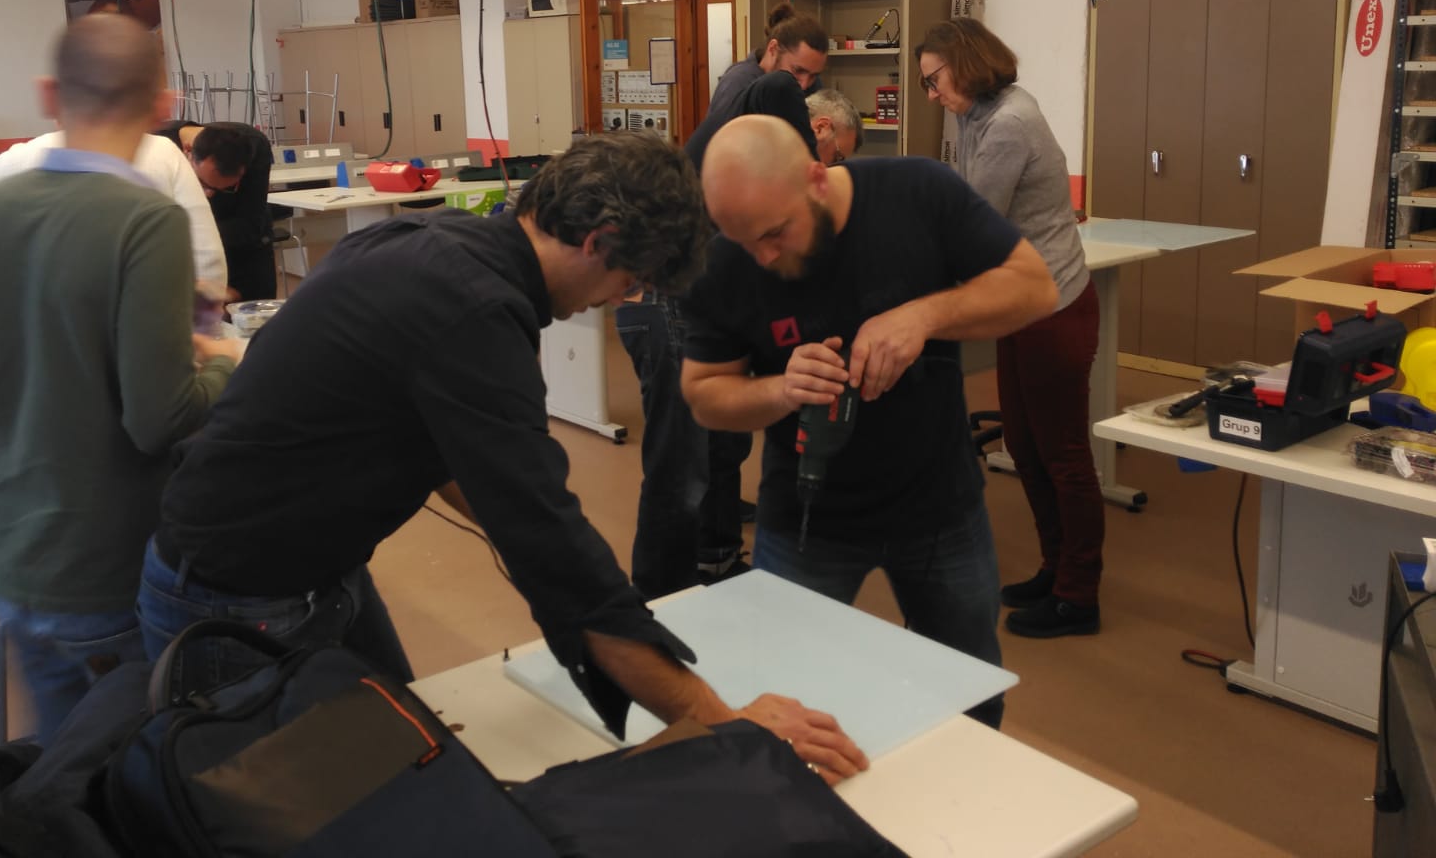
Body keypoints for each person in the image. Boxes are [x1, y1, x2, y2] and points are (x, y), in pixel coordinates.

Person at [137, 132, 868, 782]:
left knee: (404, 759)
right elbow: (556, 555)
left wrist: (526, 518)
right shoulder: (474, 311)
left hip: (311, 570)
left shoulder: (437, 242)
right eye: (630, 281)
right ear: (600, 240)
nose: (618, 299)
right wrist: (726, 722)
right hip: (239, 596)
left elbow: (462, 463)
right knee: (300, 814)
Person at [679, 116, 1057, 728]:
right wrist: (781, 389)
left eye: (774, 233)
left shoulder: (919, 193)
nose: (763, 256)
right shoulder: (724, 261)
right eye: (743, 241)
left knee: (971, 694)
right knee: (784, 699)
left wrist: (922, 317)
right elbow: (703, 396)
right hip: (806, 522)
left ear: (816, 179)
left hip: (939, 509)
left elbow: (1035, 289)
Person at [0, 17, 242, 745]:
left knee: (62, 770)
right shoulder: (147, 219)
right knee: (134, 771)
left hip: (17, 552)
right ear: (163, 108)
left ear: (49, 95)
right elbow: (159, 418)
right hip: (105, 567)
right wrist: (223, 364)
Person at [616, 72, 860, 598]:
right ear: (818, 131)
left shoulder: (742, 131)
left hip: (675, 297)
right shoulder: (770, 104)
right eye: (837, 155)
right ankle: (661, 597)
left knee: (721, 446)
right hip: (664, 303)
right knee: (680, 465)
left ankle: (717, 559)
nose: (832, 170)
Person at [917, 20, 1102, 638]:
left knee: (1063, 454)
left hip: (1054, 304)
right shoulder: (975, 113)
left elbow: (973, 219)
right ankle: (1055, 567)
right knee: (1023, 443)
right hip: (1022, 303)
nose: (932, 95)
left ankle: (1079, 595)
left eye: (934, 80)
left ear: (965, 64)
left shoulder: (1008, 122)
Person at [0, 130, 228, 308]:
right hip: (144, 337)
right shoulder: (162, 153)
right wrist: (201, 338)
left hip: (43, 346)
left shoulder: (24, 157)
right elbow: (207, 260)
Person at [155, 119, 276, 301]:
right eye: (202, 183)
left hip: (245, 247)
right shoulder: (159, 147)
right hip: (186, 256)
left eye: (228, 188)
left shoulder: (253, 145)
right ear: (187, 151)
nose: (209, 194)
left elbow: (250, 223)